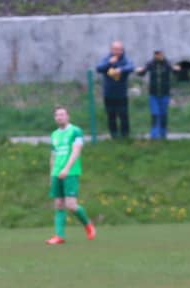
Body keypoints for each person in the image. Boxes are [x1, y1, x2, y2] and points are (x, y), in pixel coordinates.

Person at [45, 106, 96, 245]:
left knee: (71, 205)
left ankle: (88, 225)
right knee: (58, 204)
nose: (59, 117)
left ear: (68, 116)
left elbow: (76, 151)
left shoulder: (75, 131)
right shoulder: (54, 134)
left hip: (70, 172)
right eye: (57, 115)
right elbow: (53, 155)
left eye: (62, 114)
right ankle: (59, 236)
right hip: (56, 173)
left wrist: (66, 169)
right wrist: (51, 175)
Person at [135, 50, 180, 140]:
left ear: (163, 54)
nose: (158, 55)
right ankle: (154, 136)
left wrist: (177, 69)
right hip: (153, 94)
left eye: (160, 54)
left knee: (163, 115)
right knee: (155, 114)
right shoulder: (151, 64)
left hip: (165, 93)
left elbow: (175, 72)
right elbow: (142, 72)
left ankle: (163, 135)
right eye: (156, 54)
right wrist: (139, 71)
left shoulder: (167, 64)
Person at [95, 40, 134, 139]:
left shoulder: (125, 60)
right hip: (109, 94)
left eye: (119, 49)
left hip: (122, 94)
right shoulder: (107, 59)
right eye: (115, 49)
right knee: (111, 116)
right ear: (111, 50)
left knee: (123, 115)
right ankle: (114, 135)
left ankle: (125, 136)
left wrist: (121, 69)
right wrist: (109, 63)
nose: (117, 51)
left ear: (122, 50)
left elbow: (131, 67)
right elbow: (98, 68)